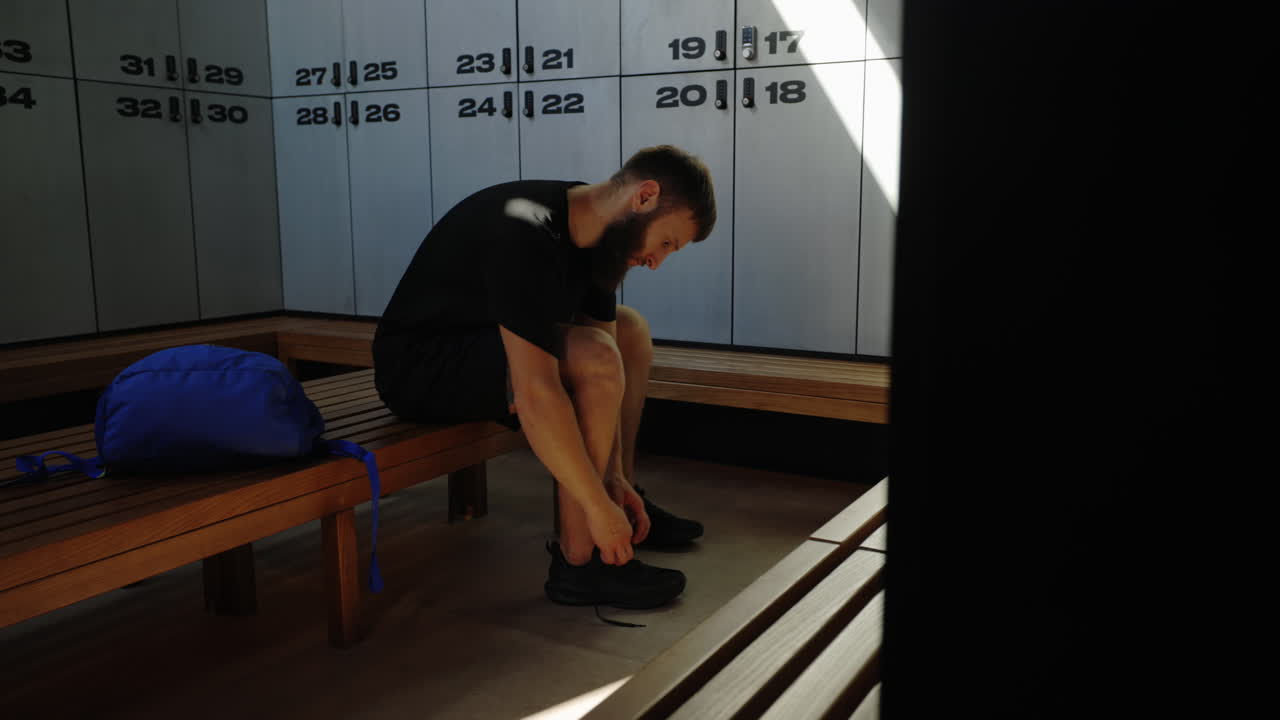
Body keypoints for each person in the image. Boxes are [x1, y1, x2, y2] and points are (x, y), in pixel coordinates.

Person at [373, 145, 716, 610]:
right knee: (592, 355)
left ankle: (623, 502)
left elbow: (609, 351)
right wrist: (594, 506)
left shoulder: (599, 236)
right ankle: (580, 563)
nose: (657, 261)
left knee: (628, 332)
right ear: (645, 197)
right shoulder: (524, 228)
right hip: (421, 367)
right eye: (667, 242)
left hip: (484, 347)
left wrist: (613, 480)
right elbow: (536, 392)